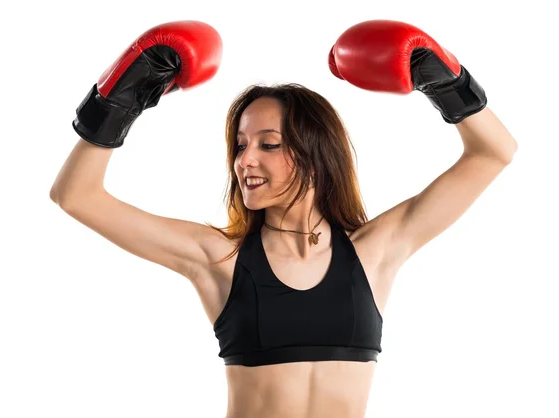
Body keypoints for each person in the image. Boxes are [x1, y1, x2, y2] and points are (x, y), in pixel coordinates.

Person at [50, 19, 517, 418]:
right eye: (240, 144)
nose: (244, 160)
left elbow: (493, 153)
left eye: (267, 144)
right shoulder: (220, 257)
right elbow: (76, 196)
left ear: (314, 155)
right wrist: (116, 105)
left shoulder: (375, 250)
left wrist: (444, 83)